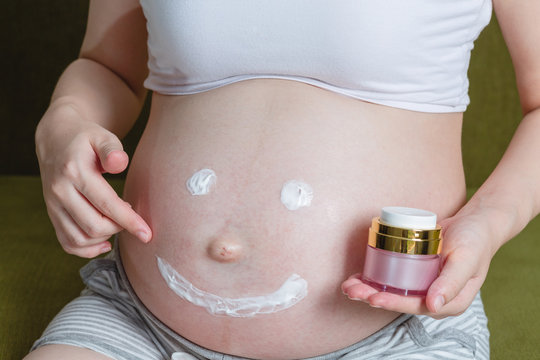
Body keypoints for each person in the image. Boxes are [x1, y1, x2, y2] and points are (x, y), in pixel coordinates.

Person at [25, 0, 540, 359]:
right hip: (135, 322)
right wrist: (63, 123)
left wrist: (488, 222)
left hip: (393, 333)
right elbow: (106, 65)